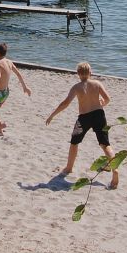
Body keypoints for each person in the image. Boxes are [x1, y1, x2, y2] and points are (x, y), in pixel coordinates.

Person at [46, 61, 118, 189]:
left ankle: (69, 168)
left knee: (74, 142)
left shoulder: (76, 87)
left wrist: (52, 115)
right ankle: (115, 170)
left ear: (78, 73)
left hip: (84, 118)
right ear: (90, 72)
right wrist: (102, 103)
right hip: (99, 115)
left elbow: (65, 103)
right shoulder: (97, 83)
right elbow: (108, 99)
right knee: (105, 144)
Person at [0, 43, 31, 136]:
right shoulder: (9, 62)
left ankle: (0, 124)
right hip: (6, 92)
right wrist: (25, 87)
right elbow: (18, 74)